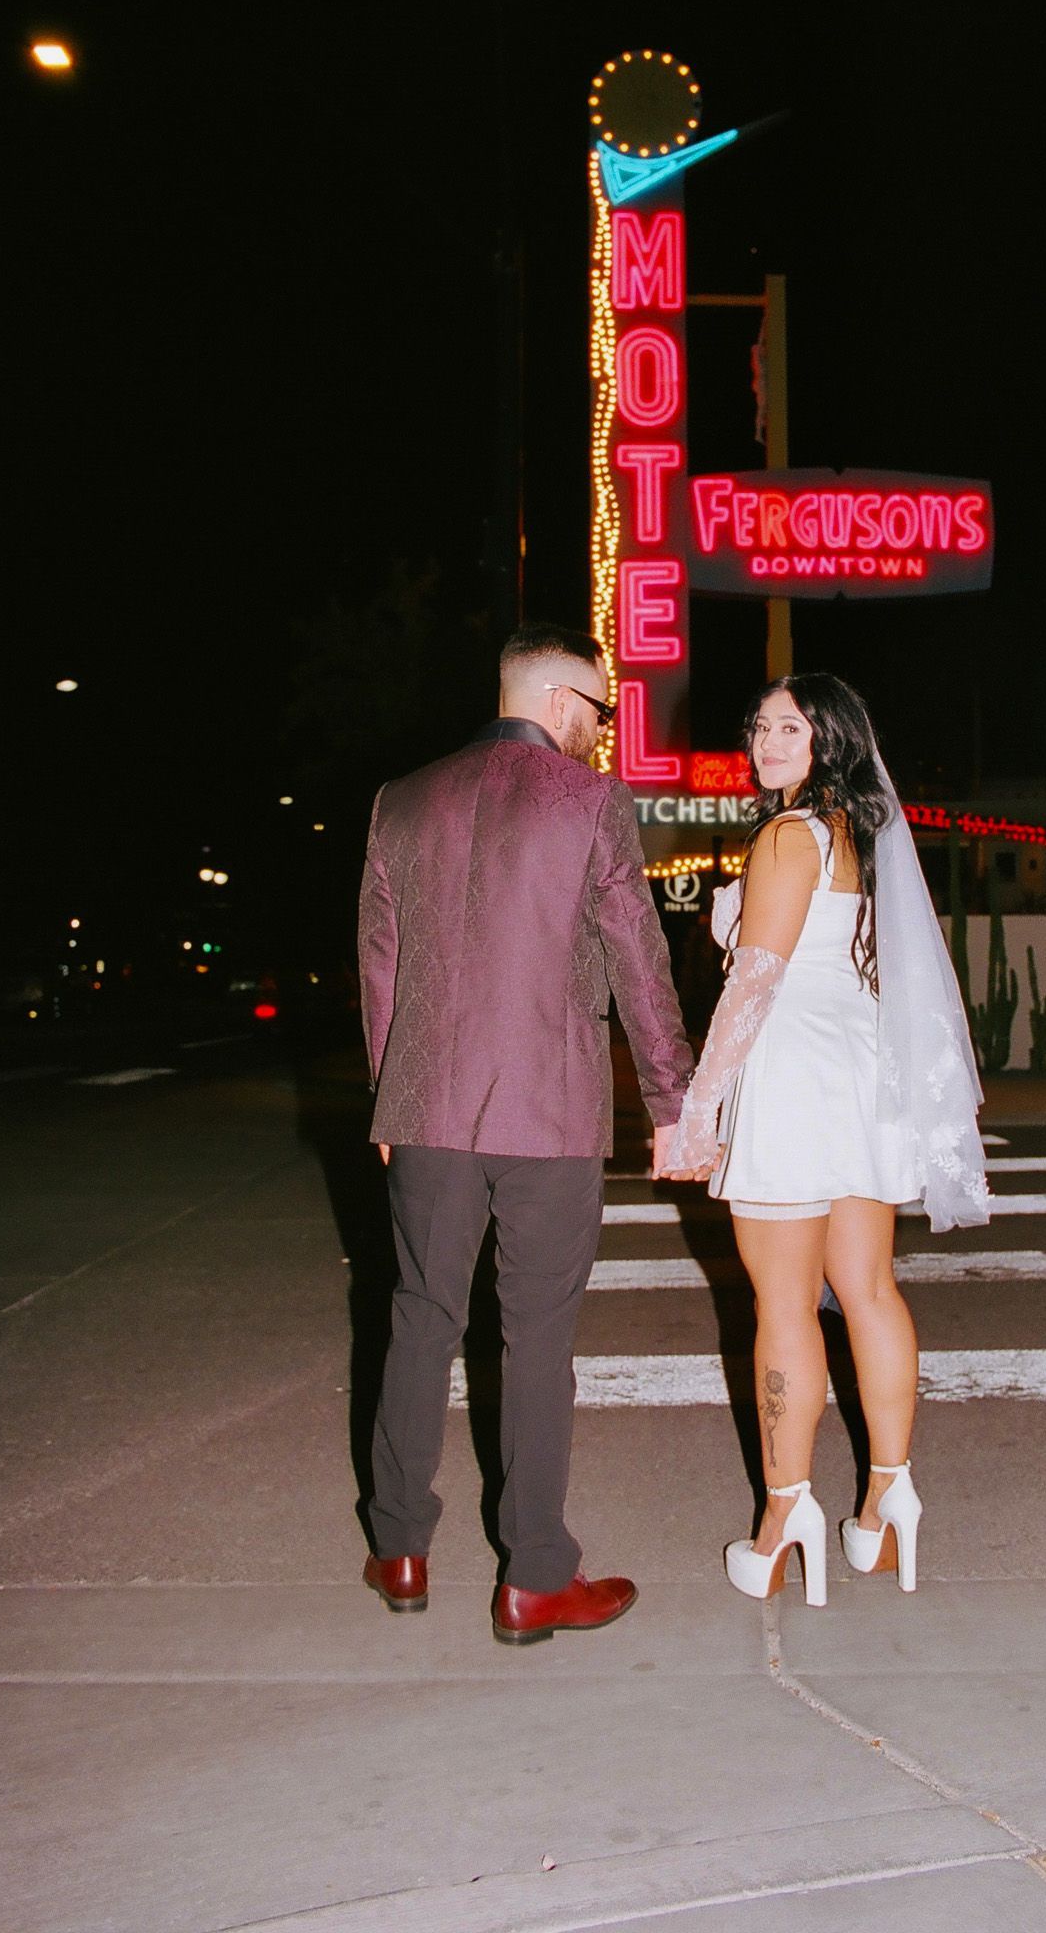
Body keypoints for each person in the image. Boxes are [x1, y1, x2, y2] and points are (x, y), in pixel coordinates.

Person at [358, 622, 693, 1644]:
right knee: (537, 1340)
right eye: (597, 709)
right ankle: (535, 1576)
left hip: (425, 1108)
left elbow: (379, 961)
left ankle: (399, 1546)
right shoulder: (588, 801)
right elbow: (638, 960)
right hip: (547, 1109)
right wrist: (672, 1100)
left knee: (420, 1317)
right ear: (558, 701)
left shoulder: (402, 798)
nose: (601, 729)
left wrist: (387, 1095)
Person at [658, 674, 987, 1606]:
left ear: (830, 740)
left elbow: (754, 981)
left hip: (793, 1071)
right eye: (760, 726)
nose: (766, 742)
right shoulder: (864, 838)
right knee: (870, 1288)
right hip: (862, 1066)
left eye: (789, 728)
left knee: (784, 1304)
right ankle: (887, 1501)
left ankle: (782, 1518)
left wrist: (698, 1110)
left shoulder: (785, 836)